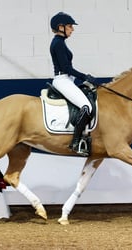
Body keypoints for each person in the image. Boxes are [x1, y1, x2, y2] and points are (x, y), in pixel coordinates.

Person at [50, 12, 96, 156]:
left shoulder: (60, 42)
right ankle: (75, 142)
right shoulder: (58, 43)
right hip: (62, 80)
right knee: (86, 106)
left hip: (67, 80)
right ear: (61, 27)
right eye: (70, 26)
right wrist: (85, 77)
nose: (72, 29)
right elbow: (66, 68)